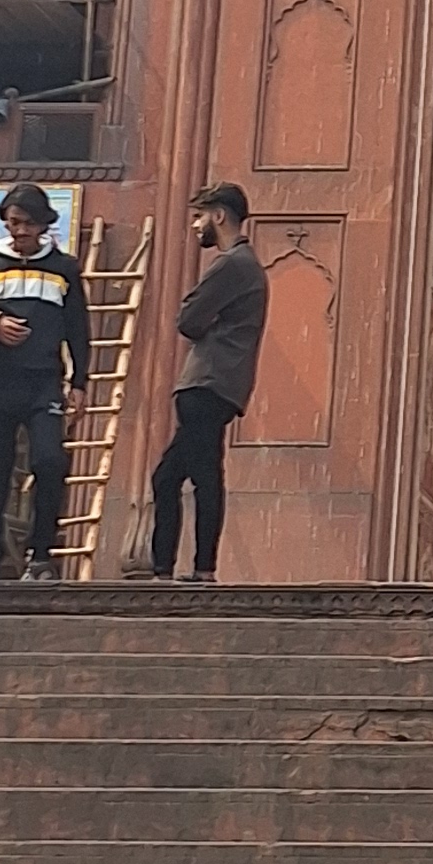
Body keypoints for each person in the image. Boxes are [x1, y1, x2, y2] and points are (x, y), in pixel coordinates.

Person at [0, 186, 91, 583]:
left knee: (49, 461)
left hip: (43, 383)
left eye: (29, 223)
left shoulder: (64, 269)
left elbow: (78, 328)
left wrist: (80, 382)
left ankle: (40, 555)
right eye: (14, 223)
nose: (21, 231)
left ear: (44, 225)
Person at [150, 184, 271, 581]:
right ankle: (194, 567)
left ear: (219, 216)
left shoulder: (231, 264)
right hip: (222, 383)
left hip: (207, 381)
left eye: (199, 216)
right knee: (194, 474)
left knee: (179, 477)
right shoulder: (247, 266)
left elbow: (188, 320)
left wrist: (204, 320)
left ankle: (176, 569)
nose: (195, 225)